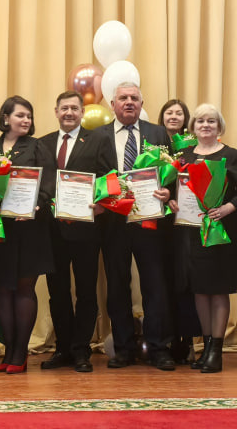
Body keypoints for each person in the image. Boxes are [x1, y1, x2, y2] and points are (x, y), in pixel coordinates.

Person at [88, 82, 175, 371]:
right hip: (113, 223)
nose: (129, 102)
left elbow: (171, 173)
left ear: (141, 104)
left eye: (134, 98)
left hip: (149, 221)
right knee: (117, 285)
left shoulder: (158, 133)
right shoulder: (97, 135)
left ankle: (159, 348)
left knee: (155, 285)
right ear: (112, 104)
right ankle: (123, 349)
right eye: (123, 98)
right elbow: (93, 175)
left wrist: (169, 192)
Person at [0, 96, 56, 374]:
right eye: (20, 115)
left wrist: (36, 205)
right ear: (5, 118)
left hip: (29, 229)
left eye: (29, 116)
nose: (26, 120)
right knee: (3, 290)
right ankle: (8, 350)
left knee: (23, 289)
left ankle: (20, 353)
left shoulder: (38, 146)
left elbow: (48, 185)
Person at [173, 103, 237, 373]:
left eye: (211, 121)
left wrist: (228, 208)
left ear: (219, 126)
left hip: (220, 231)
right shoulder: (184, 156)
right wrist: (171, 200)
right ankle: (206, 347)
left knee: (217, 289)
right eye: (200, 121)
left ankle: (216, 351)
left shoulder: (231, 155)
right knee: (199, 289)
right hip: (190, 233)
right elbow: (173, 188)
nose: (205, 125)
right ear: (193, 127)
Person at [36, 91, 99, 372]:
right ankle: (62, 348)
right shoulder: (43, 143)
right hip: (51, 231)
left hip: (86, 230)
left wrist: (101, 203)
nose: (69, 113)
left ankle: (81, 349)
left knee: (86, 291)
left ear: (82, 112)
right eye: (64, 108)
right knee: (57, 292)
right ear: (56, 111)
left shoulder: (97, 140)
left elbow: (108, 177)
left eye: (74, 108)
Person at [159, 98, 200, 363]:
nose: (174, 116)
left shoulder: (193, 148)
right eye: (169, 112)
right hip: (161, 224)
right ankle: (170, 338)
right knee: (165, 282)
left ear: (186, 119)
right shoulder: (154, 146)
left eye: (179, 113)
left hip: (187, 224)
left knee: (186, 282)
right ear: (162, 117)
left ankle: (189, 340)